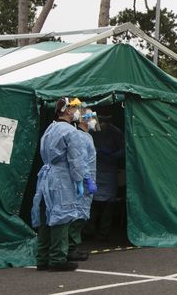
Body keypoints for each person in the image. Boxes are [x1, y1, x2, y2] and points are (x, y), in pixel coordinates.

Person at [31, 97, 87, 272]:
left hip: (47, 178)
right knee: (62, 217)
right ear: (67, 110)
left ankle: (42, 258)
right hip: (62, 178)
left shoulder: (50, 129)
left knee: (47, 217)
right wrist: (79, 181)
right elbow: (76, 160)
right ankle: (57, 259)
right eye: (75, 108)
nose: (78, 111)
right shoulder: (70, 132)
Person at [84, 112, 124, 241]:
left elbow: (124, 150)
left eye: (104, 122)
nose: (102, 125)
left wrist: (113, 154)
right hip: (95, 170)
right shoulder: (92, 131)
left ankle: (104, 232)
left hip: (110, 171)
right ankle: (89, 230)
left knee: (109, 204)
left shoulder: (116, 133)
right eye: (100, 122)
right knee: (92, 201)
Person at [66, 108, 98, 261]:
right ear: (83, 118)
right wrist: (87, 180)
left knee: (81, 215)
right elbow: (81, 161)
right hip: (83, 183)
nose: (94, 120)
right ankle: (71, 248)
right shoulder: (80, 136)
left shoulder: (86, 136)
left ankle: (72, 247)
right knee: (77, 216)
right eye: (91, 116)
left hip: (86, 182)